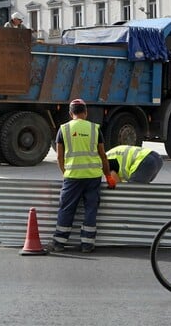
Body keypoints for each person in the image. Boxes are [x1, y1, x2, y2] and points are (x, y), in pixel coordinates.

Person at [46, 99, 115, 253]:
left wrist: (66, 173)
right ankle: (87, 244)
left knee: (66, 208)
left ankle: (59, 243)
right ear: (85, 112)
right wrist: (108, 175)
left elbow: (59, 157)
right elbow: (103, 155)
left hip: (73, 177)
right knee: (91, 209)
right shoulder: (94, 129)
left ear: (71, 114)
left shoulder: (63, 129)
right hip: (93, 177)